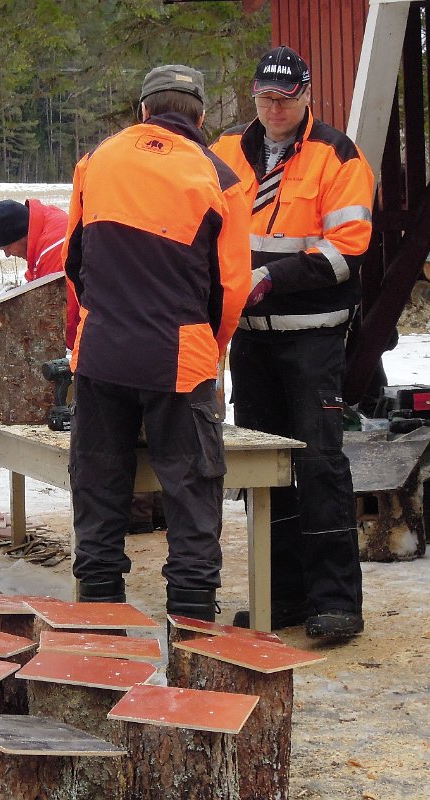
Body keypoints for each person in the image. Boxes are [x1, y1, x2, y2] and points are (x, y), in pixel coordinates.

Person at [63, 64, 250, 621]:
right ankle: (191, 629)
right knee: (192, 498)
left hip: (101, 351)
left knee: (98, 487)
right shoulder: (220, 178)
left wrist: (102, 319)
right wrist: (209, 345)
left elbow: (73, 261)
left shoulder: (96, 161)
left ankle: (99, 625)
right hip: (181, 357)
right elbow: (232, 289)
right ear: (200, 116)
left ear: (143, 111)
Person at [211, 46, 373, 638]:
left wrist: (271, 277)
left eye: (286, 97)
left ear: (306, 95)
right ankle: (280, 595)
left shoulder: (339, 156)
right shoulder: (227, 149)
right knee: (264, 470)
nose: (274, 107)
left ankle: (335, 603)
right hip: (250, 341)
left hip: (313, 340)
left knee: (319, 465)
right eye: (265, 96)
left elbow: (347, 250)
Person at [0, 199, 81, 350]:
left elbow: (59, 320)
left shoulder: (53, 249)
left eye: (7, 247)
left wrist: (11, 327)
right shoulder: (43, 224)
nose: (7, 254)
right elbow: (35, 284)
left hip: (95, 335)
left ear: (21, 235)